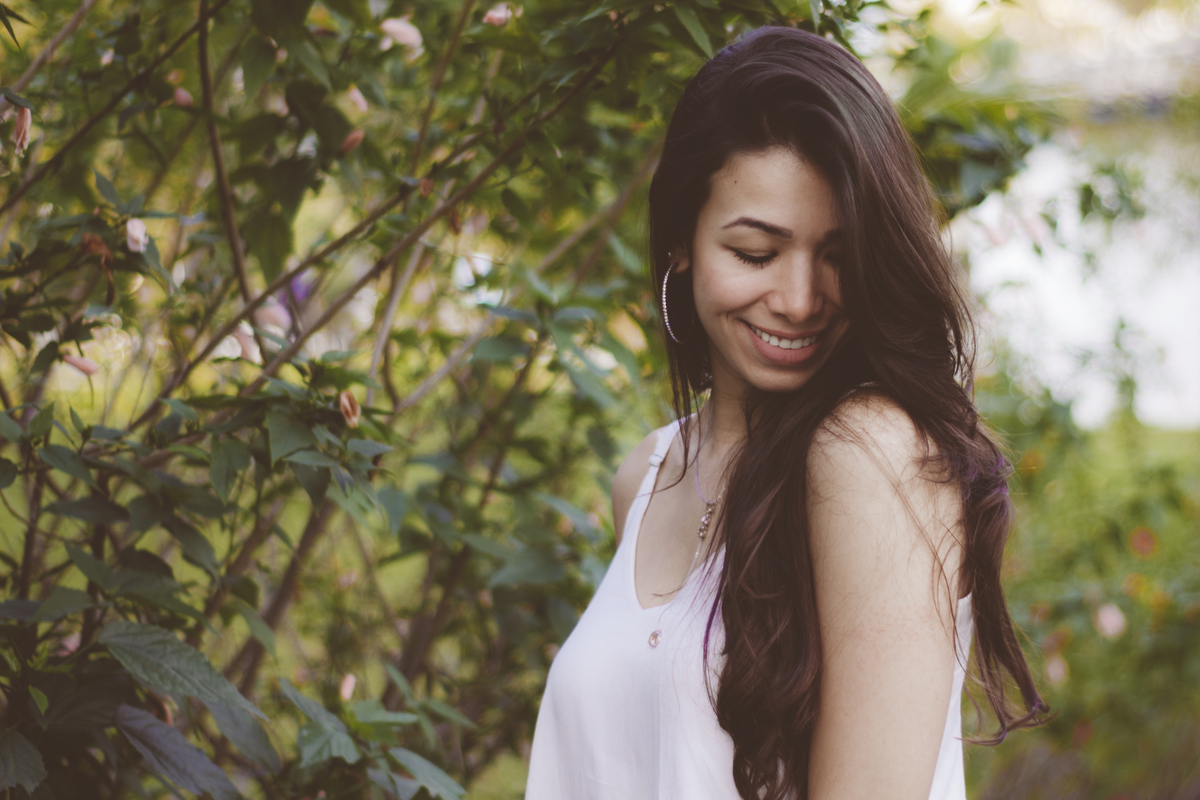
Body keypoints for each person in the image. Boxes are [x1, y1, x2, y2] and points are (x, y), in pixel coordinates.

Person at [524, 25, 1047, 800]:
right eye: (756, 253)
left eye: (837, 256)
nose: (800, 300)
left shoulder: (871, 455)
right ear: (681, 243)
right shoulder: (648, 473)